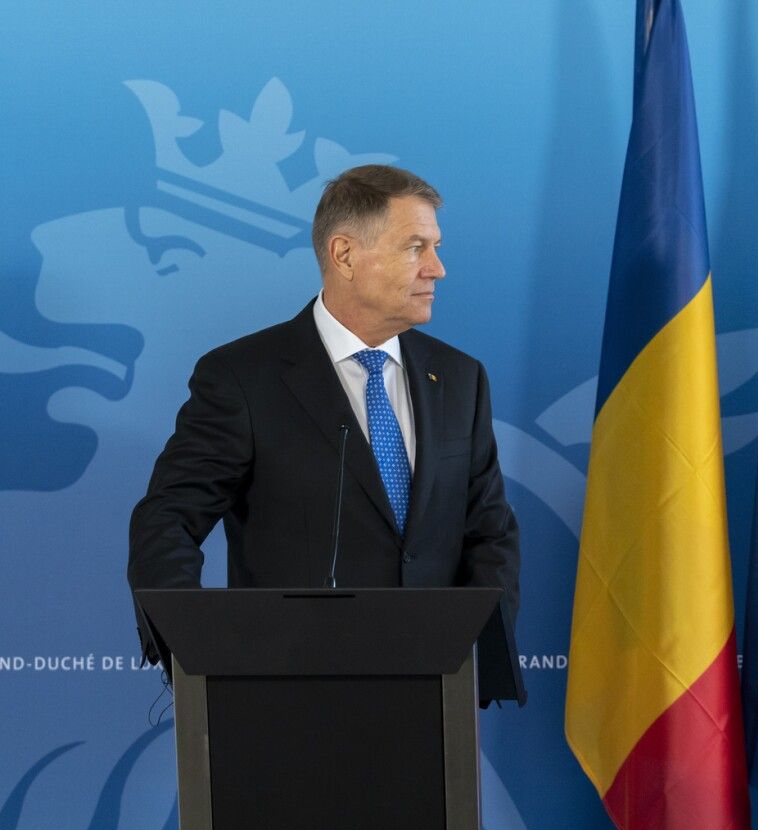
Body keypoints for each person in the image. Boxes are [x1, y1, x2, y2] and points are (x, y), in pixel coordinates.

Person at [128, 164, 522, 701]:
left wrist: (474, 661)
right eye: (415, 248)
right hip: (287, 695)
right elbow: (167, 519)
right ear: (345, 255)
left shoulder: (459, 378)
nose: (438, 268)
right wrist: (196, 654)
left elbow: (491, 532)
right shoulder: (244, 378)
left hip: (434, 697)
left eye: (435, 247)